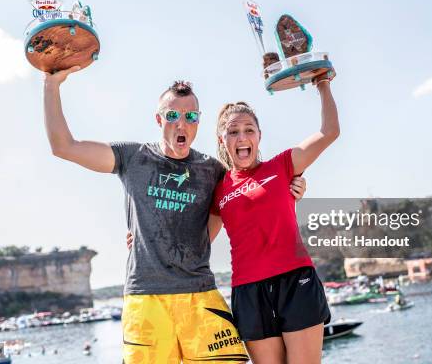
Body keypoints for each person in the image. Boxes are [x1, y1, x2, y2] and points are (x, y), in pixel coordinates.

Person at [42, 67, 306, 363]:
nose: (182, 123)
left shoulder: (211, 170)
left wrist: (292, 185)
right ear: (159, 119)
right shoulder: (133, 158)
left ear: (198, 122)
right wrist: (51, 83)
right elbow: (64, 147)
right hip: (147, 298)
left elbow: (252, 190)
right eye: (172, 115)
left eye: (191, 117)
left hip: (200, 294)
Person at [208, 72, 339, 364]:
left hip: (296, 282)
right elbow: (198, 242)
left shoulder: (283, 166)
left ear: (259, 135)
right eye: (233, 132)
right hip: (249, 291)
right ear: (222, 139)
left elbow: (329, 131)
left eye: (249, 130)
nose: (242, 137)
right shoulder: (218, 188)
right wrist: (144, 239)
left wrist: (322, 84)